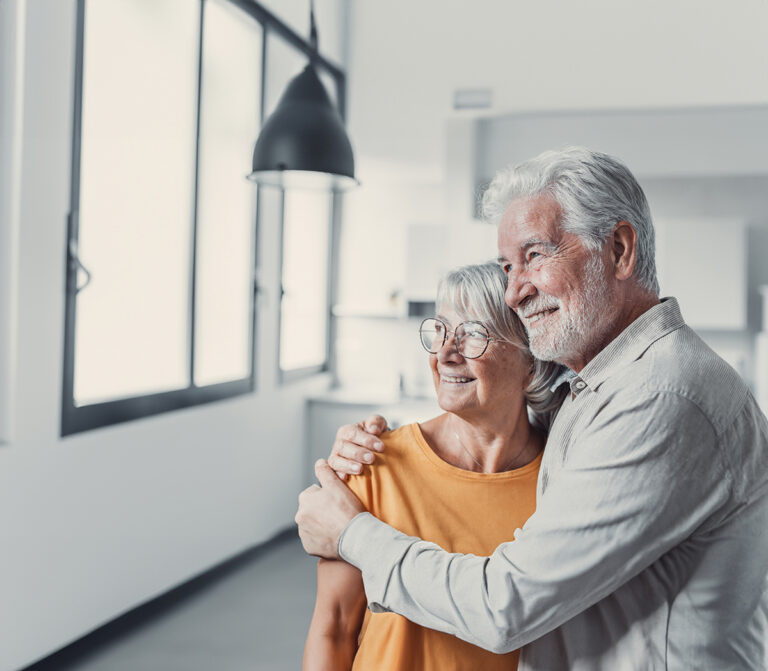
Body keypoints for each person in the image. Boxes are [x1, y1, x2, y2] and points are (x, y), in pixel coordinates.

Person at [296, 146, 768, 669]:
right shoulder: (596, 393)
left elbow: (506, 606)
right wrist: (371, 446)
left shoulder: (661, 396)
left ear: (618, 249)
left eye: (536, 255)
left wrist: (350, 531)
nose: (516, 290)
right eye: (506, 265)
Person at [303, 262, 564, 670]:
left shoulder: (561, 483)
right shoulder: (372, 462)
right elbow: (332, 627)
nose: (446, 353)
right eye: (440, 330)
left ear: (532, 359)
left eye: (474, 333)